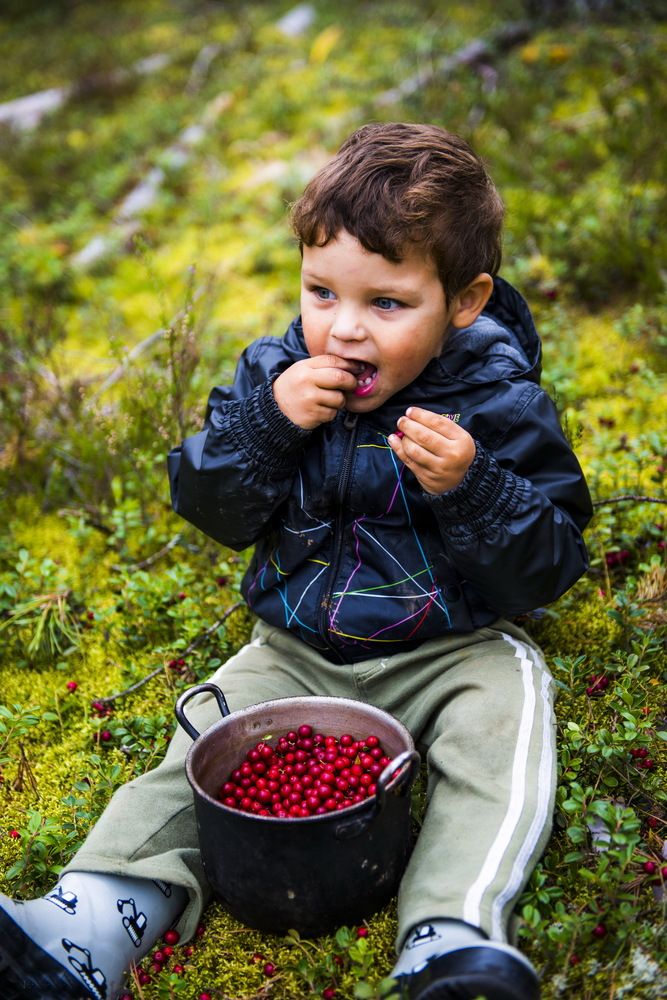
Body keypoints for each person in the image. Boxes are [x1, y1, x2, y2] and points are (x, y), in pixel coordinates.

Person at [0, 122, 592, 1000]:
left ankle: (451, 934)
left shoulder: (497, 404)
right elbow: (207, 503)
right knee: (194, 750)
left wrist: (472, 486)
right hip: (293, 648)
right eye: (321, 292)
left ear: (463, 302)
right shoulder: (274, 373)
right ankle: (91, 920)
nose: (344, 331)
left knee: (502, 720)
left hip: (450, 647)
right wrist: (267, 427)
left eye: (386, 304)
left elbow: (548, 563)